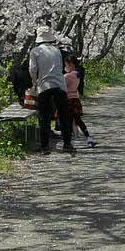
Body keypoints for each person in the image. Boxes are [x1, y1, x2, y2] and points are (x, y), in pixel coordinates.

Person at [28, 25, 75, 155]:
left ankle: (45, 147)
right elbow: (60, 67)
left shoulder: (35, 51)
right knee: (64, 116)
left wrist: (34, 81)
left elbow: (32, 70)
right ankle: (67, 144)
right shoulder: (57, 51)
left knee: (44, 117)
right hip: (60, 85)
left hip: (44, 86)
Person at [64, 54, 96, 147]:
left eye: (66, 65)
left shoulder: (68, 76)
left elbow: (62, 86)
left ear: (71, 64)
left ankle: (69, 141)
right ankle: (88, 137)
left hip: (68, 100)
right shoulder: (77, 75)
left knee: (68, 121)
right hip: (75, 99)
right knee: (78, 120)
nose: (65, 67)